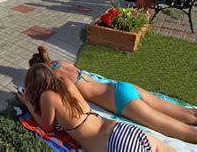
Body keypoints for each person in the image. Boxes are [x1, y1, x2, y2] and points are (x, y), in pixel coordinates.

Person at [28, 46, 197, 143]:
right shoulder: (62, 63)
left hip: (120, 101)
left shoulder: (57, 81)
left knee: (180, 131)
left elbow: (54, 108)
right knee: (188, 114)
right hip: (119, 87)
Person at [18, 64, 173, 151]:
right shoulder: (65, 82)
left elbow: (47, 127)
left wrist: (28, 104)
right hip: (122, 130)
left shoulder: (47, 97)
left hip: (113, 144)